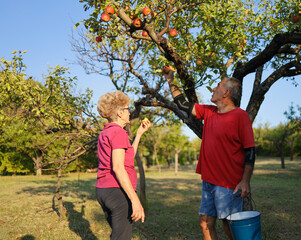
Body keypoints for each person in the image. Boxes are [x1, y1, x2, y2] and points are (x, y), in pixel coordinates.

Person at [163, 69, 256, 240]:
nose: (213, 89)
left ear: (226, 93)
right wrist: (170, 80)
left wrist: (245, 181)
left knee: (230, 227)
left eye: (218, 86)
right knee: (205, 224)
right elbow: (183, 104)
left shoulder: (240, 116)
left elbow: (250, 150)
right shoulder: (209, 112)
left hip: (228, 183)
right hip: (208, 181)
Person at [96, 90, 151, 240]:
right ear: (120, 112)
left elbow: (126, 160)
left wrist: (139, 134)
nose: (129, 112)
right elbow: (118, 167)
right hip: (117, 192)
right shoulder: (119, 133)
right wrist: (135, 200)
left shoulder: (106, 132)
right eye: (127, 108)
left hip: (103, 191)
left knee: (118, 234)